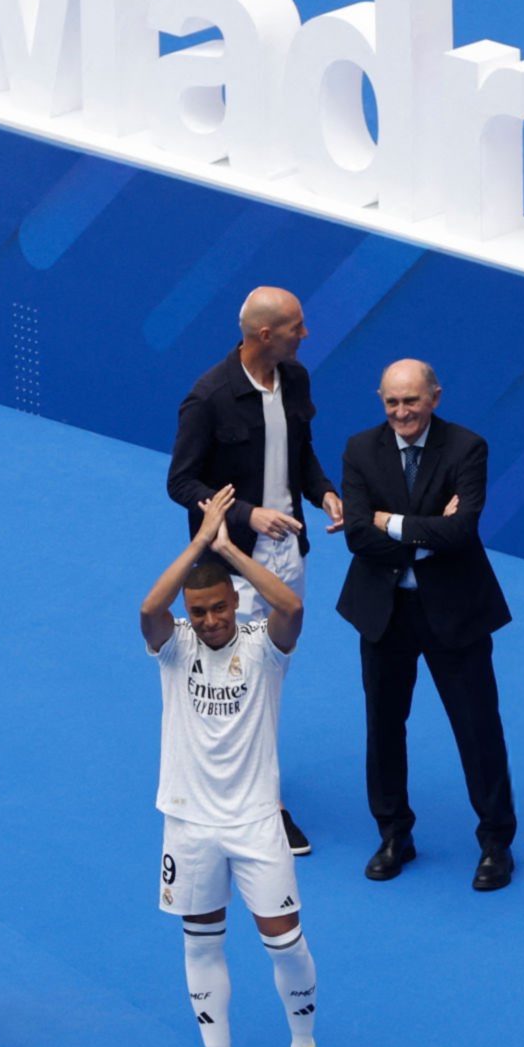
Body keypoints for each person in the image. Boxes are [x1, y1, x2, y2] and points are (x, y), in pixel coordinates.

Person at [140, 484, 348, 1047]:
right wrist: (200, 543)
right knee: (200, 942)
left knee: (286, 941)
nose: (209, 621)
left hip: (256, 820)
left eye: (218, 608)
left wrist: (230, 549)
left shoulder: (263, 648)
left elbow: (292, 607)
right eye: (198, 611)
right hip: (189, 821)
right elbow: (149, 607)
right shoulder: (173, 647)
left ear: (235, 602)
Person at [168, 286, 345, 854]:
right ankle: (265, 804)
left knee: (271, 677)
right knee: (239, 681)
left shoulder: (295, 380)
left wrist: (323, 492)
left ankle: (243, 779)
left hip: (288, 559)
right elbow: (182, 482)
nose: (306, 334)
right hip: (234, 566)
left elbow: (300, 452)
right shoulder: (208, 398)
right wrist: (247, 513)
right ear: (265, 335)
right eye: (297, 326)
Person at [336, 360, 518, 891]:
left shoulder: (467, 448)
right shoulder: (359, 449)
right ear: (380, 399)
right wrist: (428, 530)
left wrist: (389, 522)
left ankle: (496, 843)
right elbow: (356, 536)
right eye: (392, 402)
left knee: (478, 729)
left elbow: (462, 532)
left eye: (411, 401)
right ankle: (394, 834)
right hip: (384, 613)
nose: (401, 412)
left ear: (435, 397)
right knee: (383, 727)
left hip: (455, 613)